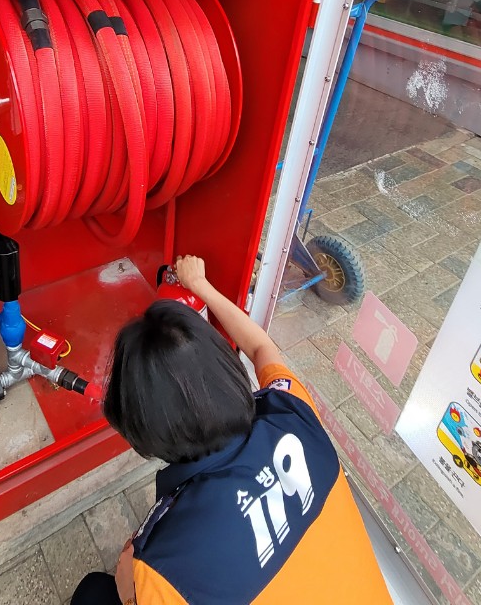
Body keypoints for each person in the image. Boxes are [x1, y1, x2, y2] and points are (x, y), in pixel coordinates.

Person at [73, 255, 392, 605]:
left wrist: (129, 582)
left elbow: (128, 587)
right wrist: (200, 286)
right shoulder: (293, 412)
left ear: (144, 433)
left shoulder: (162, 570)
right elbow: (260, 347)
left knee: (94, 592)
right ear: (226, 365)